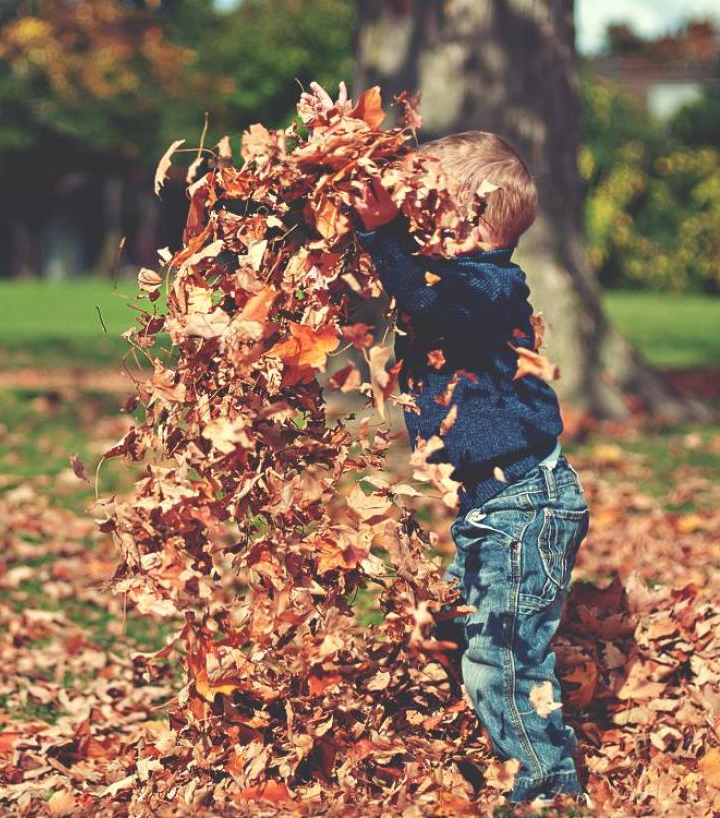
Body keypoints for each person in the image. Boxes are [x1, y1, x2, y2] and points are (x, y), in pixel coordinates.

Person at [304, 82, 591, 806]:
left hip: (525, 505)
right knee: (493, 643)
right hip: (496, 505)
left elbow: (427, 295)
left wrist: (382, 232)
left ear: (466, 220)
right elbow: (413, 285)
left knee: (501, 658)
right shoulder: (453, 279)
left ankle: (549, 791)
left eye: (424, 205)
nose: (410, 218)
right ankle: (532, 764)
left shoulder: (490, 288)